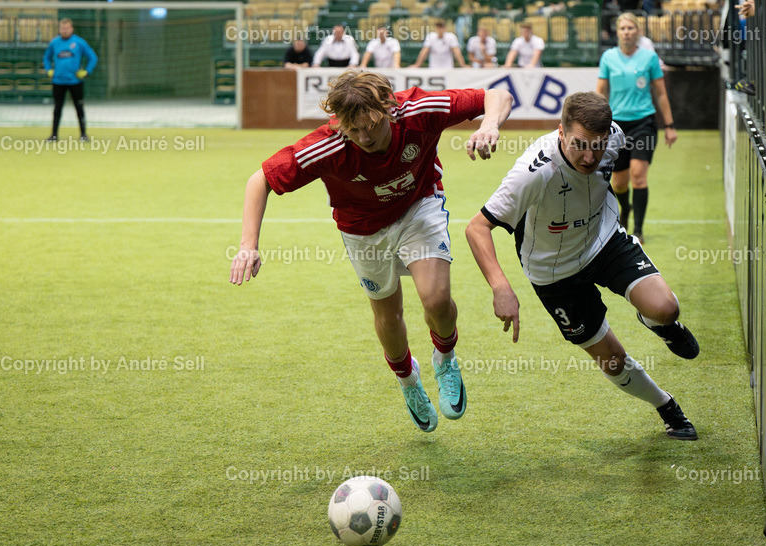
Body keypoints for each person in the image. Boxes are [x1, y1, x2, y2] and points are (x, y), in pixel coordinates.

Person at [230, 70, 513, 433]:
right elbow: (261, 179)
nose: (363, 138)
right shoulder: (329, 144)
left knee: (436, 299)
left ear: (388, 109)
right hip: (362, 230)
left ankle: (445, 358)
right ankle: (409, 382)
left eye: (371, 127)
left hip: (418, 207)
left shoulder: (417, 111)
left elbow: (498, 95)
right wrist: (247, 247)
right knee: (388, 315)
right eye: (353, 129)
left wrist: (489, 124)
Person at [464, 91, 699, 441]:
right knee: (613, 360)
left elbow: (612, 168)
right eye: (579, 144)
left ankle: (662, 326)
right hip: (553, 273)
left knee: (666, 308)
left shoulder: (614, 137)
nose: (590, 156)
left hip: (603, 242)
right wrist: (501, 287)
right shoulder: (534, 173)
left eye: (598, 145)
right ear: (561, 132)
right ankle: (666, 406)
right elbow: (477, 227)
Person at [596, 12, 677, 243]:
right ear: (617, 32)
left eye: (631, 28)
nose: (627, 32)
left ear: (638, 31)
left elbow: (661, 93)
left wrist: (669, 125)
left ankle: (638, 230)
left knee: (638, 176)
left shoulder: (649, 58)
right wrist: (595, 123)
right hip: (617, 126)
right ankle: (625, 210)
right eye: (622, 28)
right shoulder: (608, 57)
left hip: (644, 122)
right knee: (619, 183)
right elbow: (600, 92)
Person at [43, 18, 96, 142]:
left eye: (67, 28)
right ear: (59, 29)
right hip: (58, 82)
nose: (64, 30)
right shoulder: (54, 43)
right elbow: (46, 58)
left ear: (72, 29)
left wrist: (87, 71)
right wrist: (48, 70)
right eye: (62, 28)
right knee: (57, 109)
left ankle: (83, 135)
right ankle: (54, 135)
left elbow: (93, 57)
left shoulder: (79, 42)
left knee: (79, 108)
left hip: (75, 82)